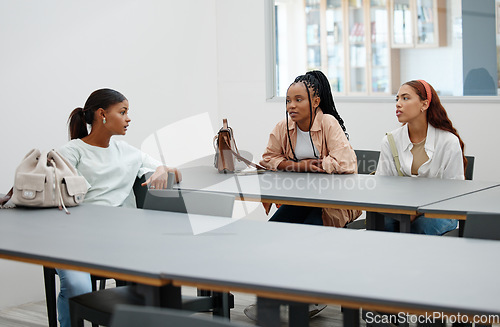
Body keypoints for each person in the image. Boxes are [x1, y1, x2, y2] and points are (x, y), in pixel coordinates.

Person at [55, 88, 181, 327]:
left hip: (123, 241)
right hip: (76, 240)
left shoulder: (128, 153)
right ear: (102, 114)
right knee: (77, 286)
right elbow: (57, 192)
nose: (128, 118)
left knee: (152, 282)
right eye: (123, 112)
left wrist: (164, 169)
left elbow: (174, 171)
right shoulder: (72, 152)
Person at [259, 70, 361, 227]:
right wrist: (299, 166)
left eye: (298, 100)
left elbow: (346, 163)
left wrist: (311, 166)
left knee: (309, 229)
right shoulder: (283, 127)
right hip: (299, 197)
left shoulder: (328, 122)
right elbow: (268, 159)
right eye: (288, 101)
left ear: (315, 102)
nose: (291, 106)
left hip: (332, 199)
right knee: (273, 228)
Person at [376, 80, 467, 235]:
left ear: (424, 104)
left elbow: (454, 193)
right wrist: (405, 210)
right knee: (382, 225)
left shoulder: (448, 142)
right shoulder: (390, 141)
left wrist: (417, 212)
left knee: (420, 228)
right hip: (402, 209)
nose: (398, 104)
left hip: (442, 211)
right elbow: (383, 186)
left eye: (405, 98)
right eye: (397, 99)